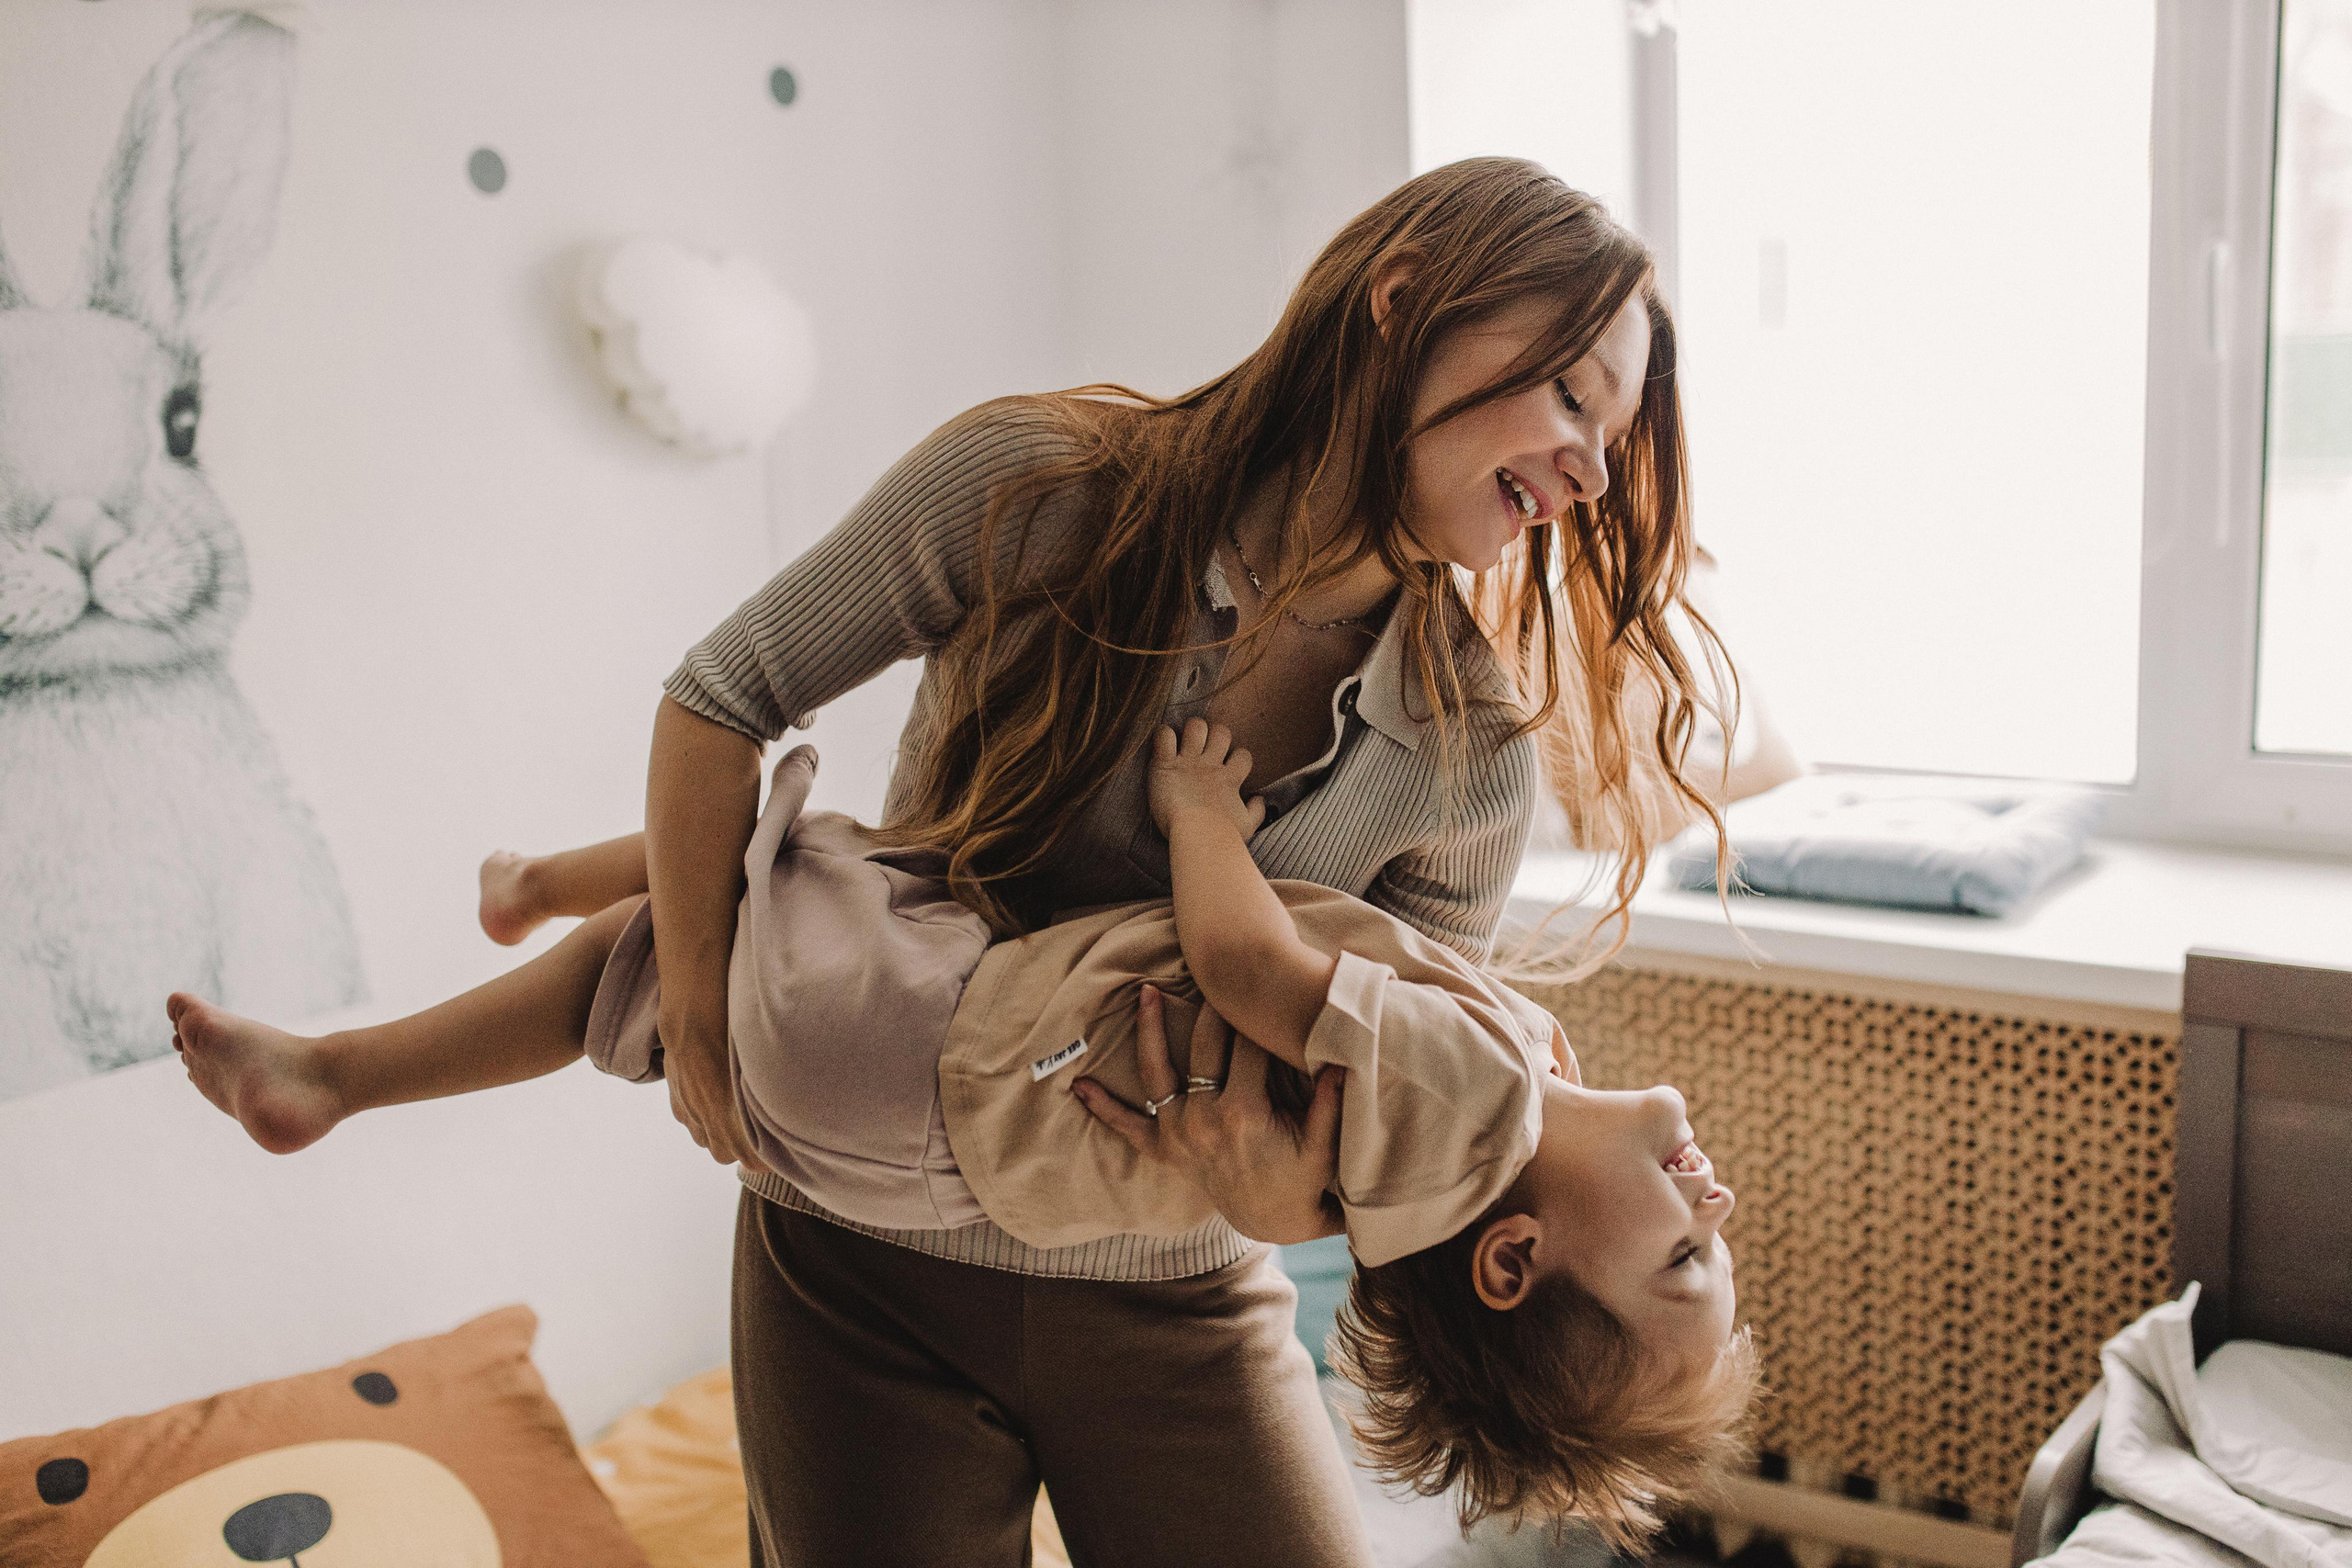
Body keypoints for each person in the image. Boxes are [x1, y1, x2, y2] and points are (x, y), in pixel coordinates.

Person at [198, 157, 1745, 1566]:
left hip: (1172, 1292)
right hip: (855, 1264)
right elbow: (720, 702)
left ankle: (409, 1012)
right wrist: (700, 1038)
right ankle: (348, 1065)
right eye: (1571, 398)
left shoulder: (1469, 748)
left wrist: (1293, 1210)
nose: (1593, 474)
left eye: (1617, 439)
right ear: (1406, 301)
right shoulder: (1042, 485)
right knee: (737, 914)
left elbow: (1421, 1148)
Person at [168, 713, 1757, 1548]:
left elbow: (1246, 963)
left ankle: (356, 1058)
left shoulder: (1473, 1105)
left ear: (1517, 1261)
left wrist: (1207, 816)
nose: (1719, 1205)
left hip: (929, 1061)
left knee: (768, 888)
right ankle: (447, 978)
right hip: (914, 1122)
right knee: (737, 923)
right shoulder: (1437, 1152)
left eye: (1683, 1258)